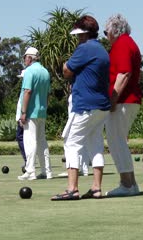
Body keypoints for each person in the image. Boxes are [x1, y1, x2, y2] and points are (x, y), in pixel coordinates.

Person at [51, 15, 110, 200]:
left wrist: (64, 63)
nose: (77, 38)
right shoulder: (101, 49)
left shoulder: (84, 49)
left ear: (84, 33)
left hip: (85, 105)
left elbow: (67, 71)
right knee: (96, 144)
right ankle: (96, 188)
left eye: (78, 34)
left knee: (71, 143)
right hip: (101, 106)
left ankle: (72, 189)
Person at [104, 14, 142, 197]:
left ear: (115, 30)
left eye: (106, 32)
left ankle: (127, 184)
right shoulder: (128, 43)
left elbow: (124, 73)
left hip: (123, 100)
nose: (106, 36)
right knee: (117, 140)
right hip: (128, 99)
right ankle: (130, 183)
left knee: (116, 141)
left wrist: (113, 98)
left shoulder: (122, 44)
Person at [17, 47, 53, 180]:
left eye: (25, 57)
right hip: (42, 111)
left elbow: (27, 91)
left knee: (30, 141)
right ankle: (46, 171)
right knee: (42, 141)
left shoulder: (29, 71)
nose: (24, 60)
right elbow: (48, 94)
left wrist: (23, 112)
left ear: (30, 58)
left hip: (31, 112)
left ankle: (30, 171)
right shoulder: (45, 72)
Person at [15, 69, 27, 171]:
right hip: (22, 116)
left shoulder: (26, 88)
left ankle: (27, 160)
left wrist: (21, 116)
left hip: (23, 117)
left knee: (21, 137)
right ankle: (28, 160)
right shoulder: (24, 87)